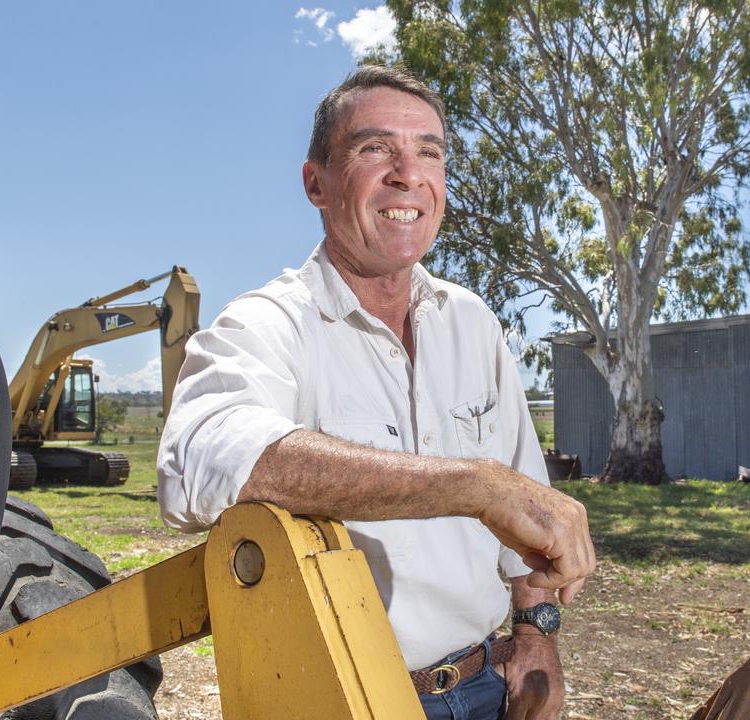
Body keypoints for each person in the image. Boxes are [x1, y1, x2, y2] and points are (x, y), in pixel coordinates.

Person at [157, 65, 595, 720]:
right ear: (317, 183)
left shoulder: (471, 322)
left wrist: (536, 639)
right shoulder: (270, 322)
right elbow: (198, 462)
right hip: (337, 702)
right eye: (374, 149)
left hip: (484, 686)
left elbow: (524, 530)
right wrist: (473, 485)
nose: (407, 173)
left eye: (429, 152)